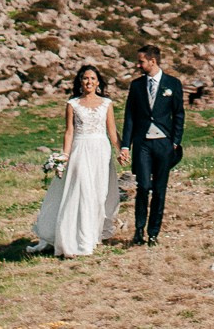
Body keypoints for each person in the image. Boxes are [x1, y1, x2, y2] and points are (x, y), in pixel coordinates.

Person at [30, 64, 121, 257]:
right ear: (80, 82)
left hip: (101, 151)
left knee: (97, 194)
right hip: (80, 149)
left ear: (98, 83)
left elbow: (112, 132)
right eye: (85, 78)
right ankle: (77, 241)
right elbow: (69, 132)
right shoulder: (73, 104)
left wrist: (121, 150)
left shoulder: (106, 103)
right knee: (82, 191)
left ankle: (92, 235)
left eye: (93, 79)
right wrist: (64, 155)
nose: (89, 82)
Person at [119, 42, 185, 246]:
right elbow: (129, 115)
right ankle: (139, 229)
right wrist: (125, 145)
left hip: (164, 143)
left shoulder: (173, 84)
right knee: (143, 186)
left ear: (152, 61)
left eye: (141, 62)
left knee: (159, 189)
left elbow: (179, 114)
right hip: (143, 144)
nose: (138, 66)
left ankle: (153, 233)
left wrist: (174, 141)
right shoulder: (137, 86)